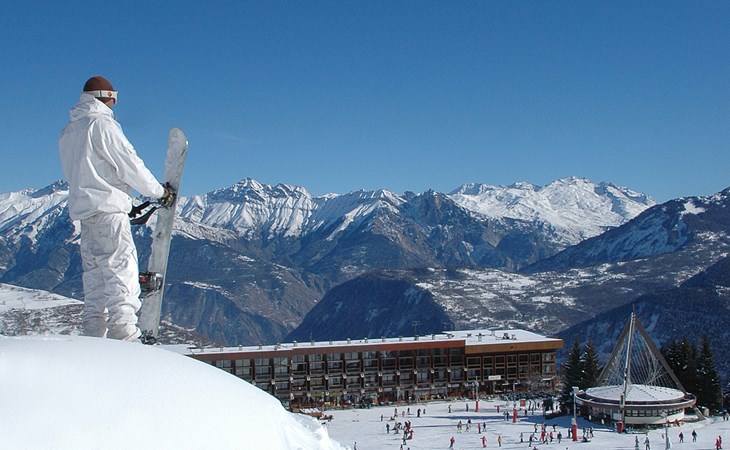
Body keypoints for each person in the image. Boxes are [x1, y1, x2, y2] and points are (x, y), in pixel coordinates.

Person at [59, 76, 174, 342]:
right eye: (114, 97)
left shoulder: (68, 132)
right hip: (109, 214)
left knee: (95, 280)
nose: (115, 103)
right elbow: (128, 163)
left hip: (85, 215)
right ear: (105, 96)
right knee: (120, 271)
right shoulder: (101, 125)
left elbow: (82, 174)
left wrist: (124, 201)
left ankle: (92, 335)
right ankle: (125, 335)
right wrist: (159, 192)